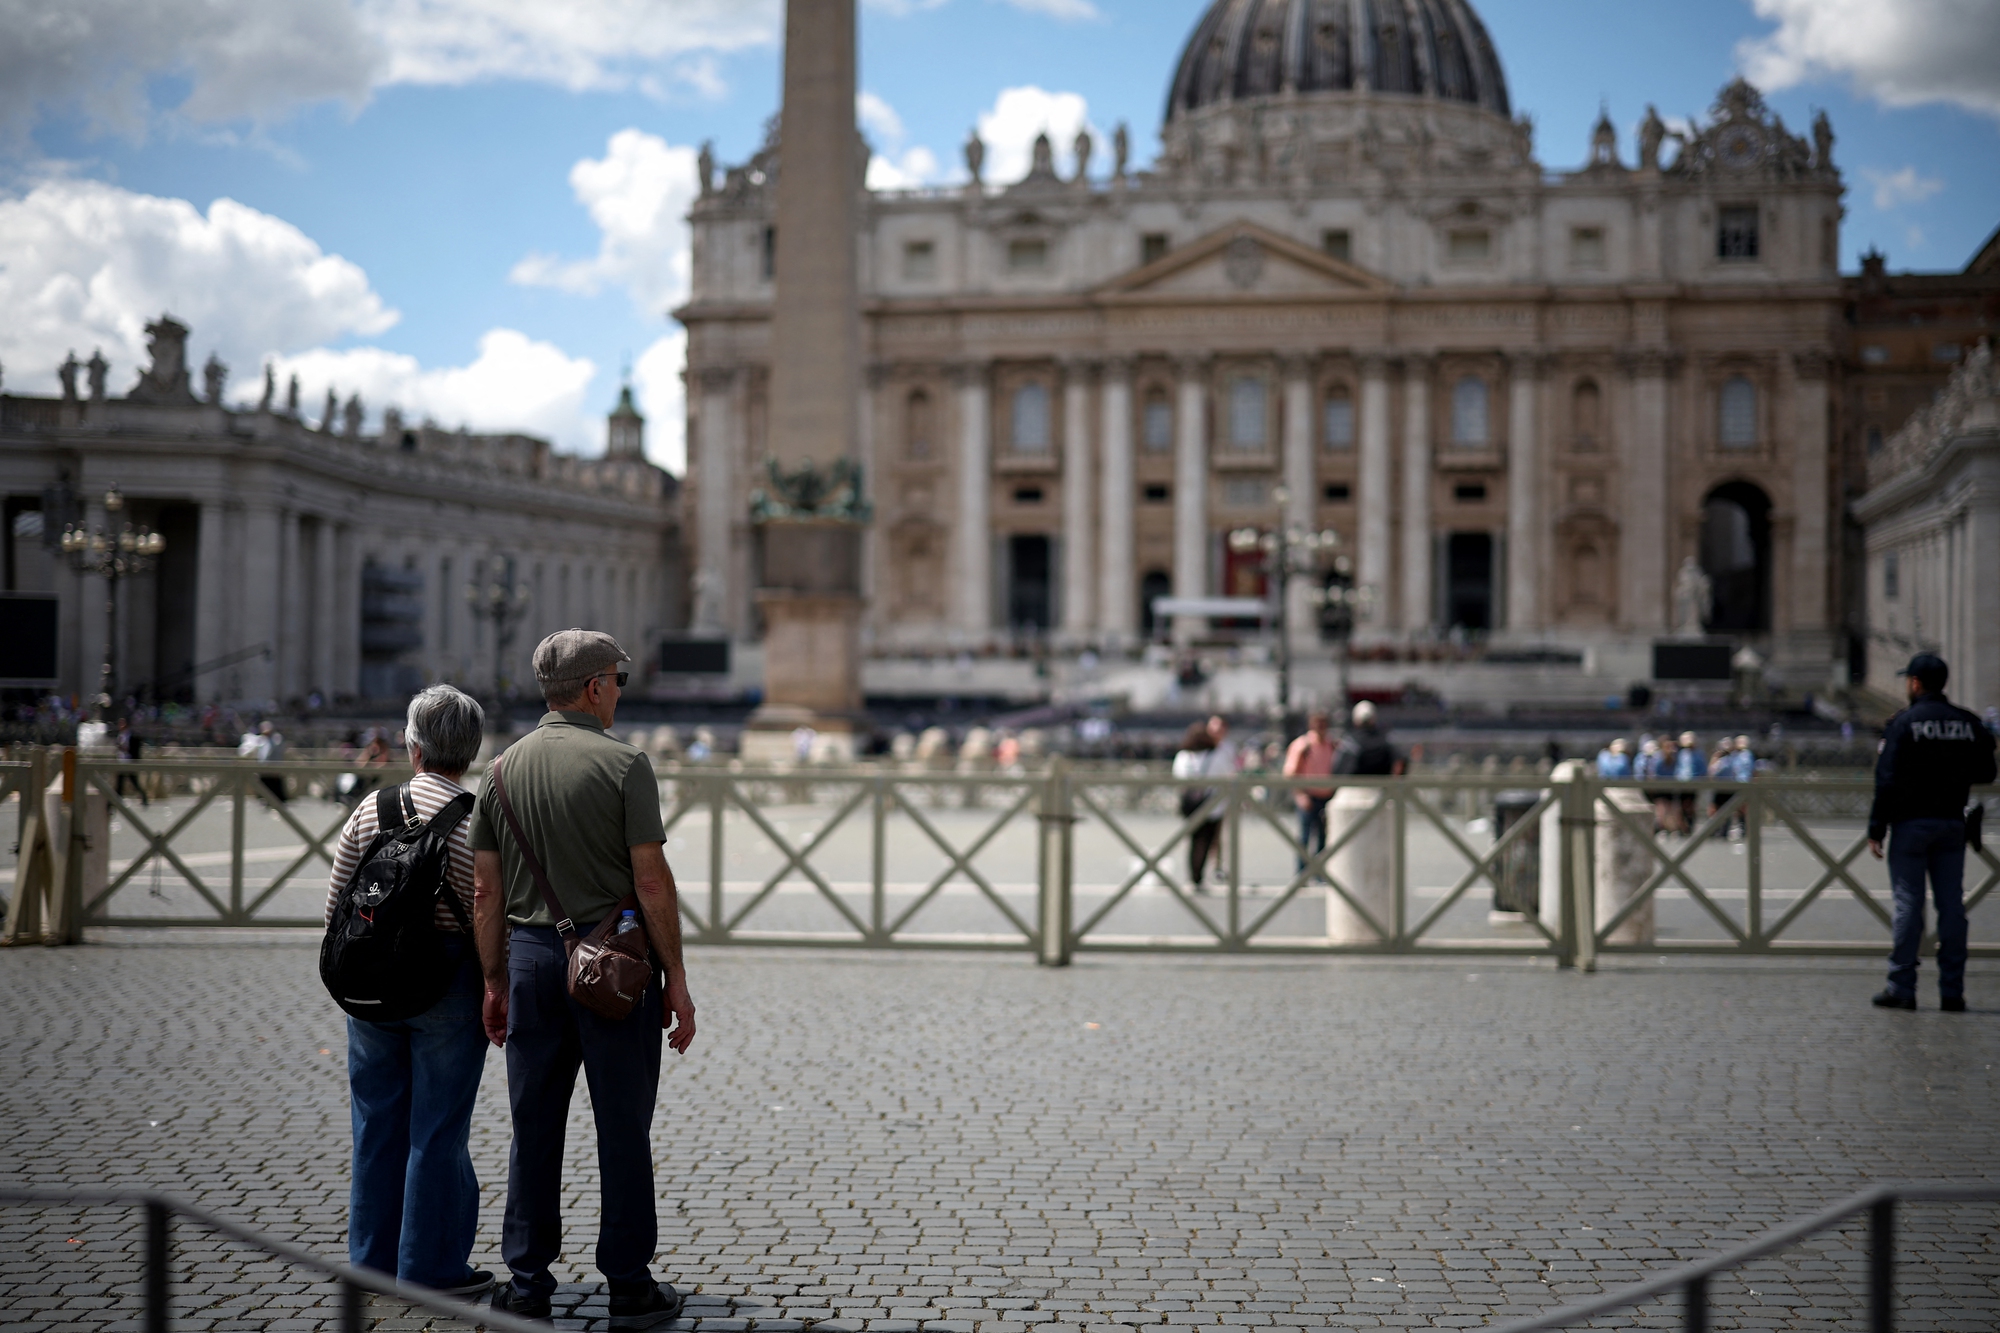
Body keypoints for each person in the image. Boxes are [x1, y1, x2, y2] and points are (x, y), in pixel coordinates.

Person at [471, 630, 696, 1326]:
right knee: (622, 1123)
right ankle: (629, 1282)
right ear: (595, 686)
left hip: (534, 960)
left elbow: (485, 890)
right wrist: (678, 980)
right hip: (618, 965)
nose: (620, 692)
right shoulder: (625, 765)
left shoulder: (500, 770)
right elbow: (652, 883)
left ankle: (529, 1281)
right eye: (618, 680)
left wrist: (493, 978)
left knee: (533, 1124)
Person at [324, 685, 493, 1298]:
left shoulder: (372, 808)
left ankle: (369, 1262)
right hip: (448, 983)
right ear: (471, 751)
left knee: (375, 1123)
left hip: (370, 982)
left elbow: (337, 902)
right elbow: (486, 911)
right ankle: (430, 1269)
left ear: (411, 743)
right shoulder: (477, 820)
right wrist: (494, 984)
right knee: (438, 1130)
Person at [1866, 653, 1997, 1012]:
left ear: (1915, 683)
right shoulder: (1967, 723)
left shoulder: (1904, 723)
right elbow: (1987, 771)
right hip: (1952, 823)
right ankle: (1952, 990)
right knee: (1952, 906)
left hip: (1910, 824)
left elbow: (1887, 779)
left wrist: (1876, 827)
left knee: (1909, 905)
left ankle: (1902, 987)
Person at [1283, 711, 1338, 874]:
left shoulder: (1333, 745)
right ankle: (1302, 872)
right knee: (1305, 837)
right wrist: (1300, 795)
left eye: (1323, 723)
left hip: (1327, 797)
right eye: (1317, 723)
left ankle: (1320, 872)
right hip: (1308, 796)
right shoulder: (1302, 745)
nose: (1321, 727)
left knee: (1324, 837)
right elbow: (1291, 773)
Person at [1171, 722, 1222, 891]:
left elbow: (1178, 778)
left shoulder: (1183, 756)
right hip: (1211, 804)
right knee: (1206, 840)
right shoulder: (1216, 755)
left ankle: (1194, 876)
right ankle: (1198, 876)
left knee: (1194, 840)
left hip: (1190, 804)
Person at [1334, 701, 1400, 776]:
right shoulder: (1385, 740)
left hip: (1352, 786)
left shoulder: (1348, 741)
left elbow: (1337, 769)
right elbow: (1399, 763)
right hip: (1380, 785)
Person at [114, 717, 147, 806]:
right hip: (122, 762)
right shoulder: (120, 735)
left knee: (134, 782)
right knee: (119, 783)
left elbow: (133, 748)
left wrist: (124, 749)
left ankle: (144, 798)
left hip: (130, 762)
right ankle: (116, 800)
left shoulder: (132, 736)